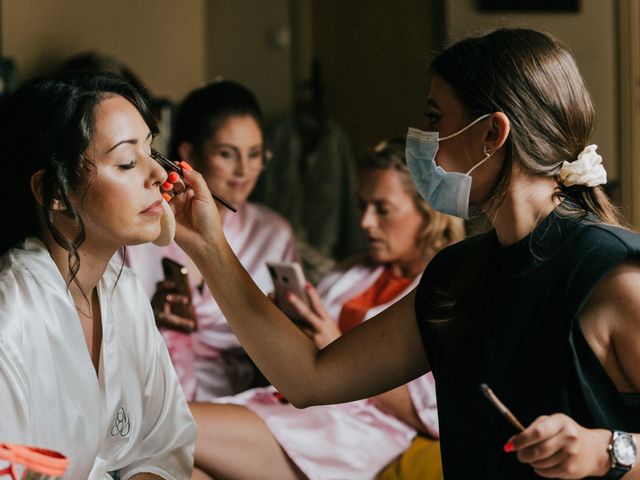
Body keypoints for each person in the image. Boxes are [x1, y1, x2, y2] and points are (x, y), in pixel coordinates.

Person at [167, 28, 640, 480]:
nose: (422, 138)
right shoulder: (456, 277)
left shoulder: (613, 278)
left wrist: (609, 452)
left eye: (435, 118)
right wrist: (208, 245)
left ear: (492, 133)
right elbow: (309, 379)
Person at [189, 139, 464, 480]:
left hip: (354, 428)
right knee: (180, 468)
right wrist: (287, 327)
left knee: (168, 427)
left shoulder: (448, 289)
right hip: (293, 404)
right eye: (362, 205)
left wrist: (336, 350)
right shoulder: (350, 271)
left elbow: (434, 415)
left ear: (427, 211)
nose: (365, 222)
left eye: (382, 209)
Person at [0, 72, 195, 478]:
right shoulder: (11, 317)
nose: (160, 176)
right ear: (55, 190)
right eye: (126, 162)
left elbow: (164, 448)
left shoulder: (123, 292)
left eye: (151, 151)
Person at [125, 80, 297, 400]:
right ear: (189, 154)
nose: (243, 170)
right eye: (226, 154)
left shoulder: (273, 234)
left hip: (238, 401)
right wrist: (147, 315)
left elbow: (288, 349)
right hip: (145, 389)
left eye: (255, 154)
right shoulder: (141, 224)